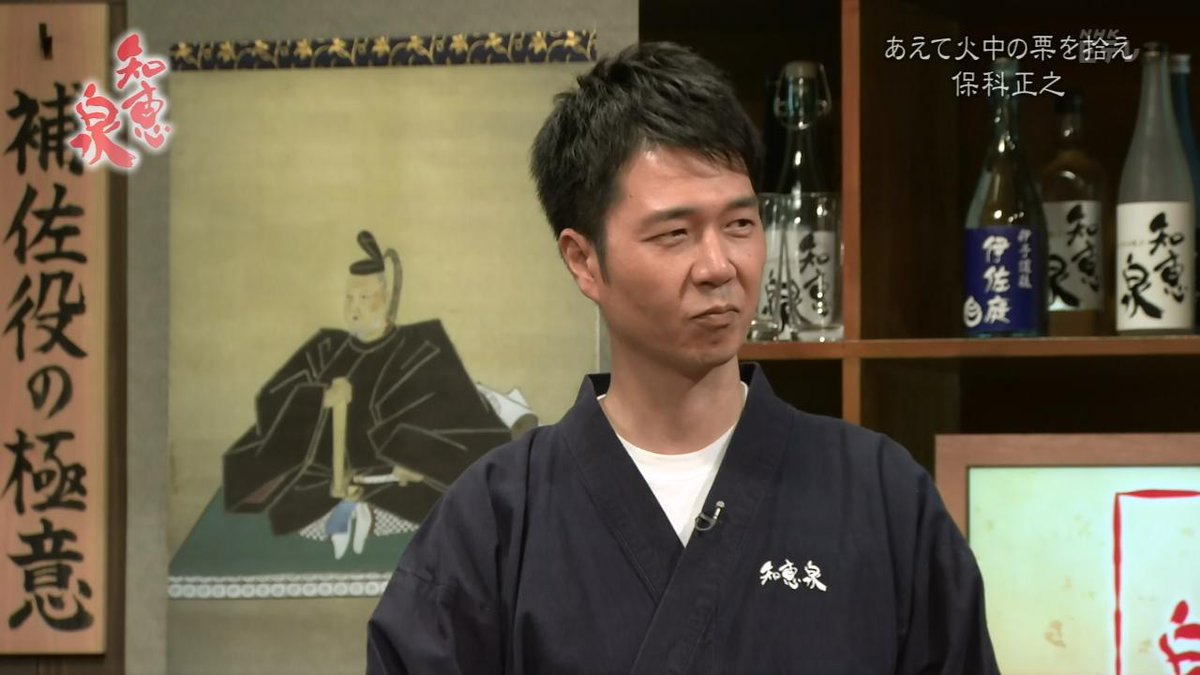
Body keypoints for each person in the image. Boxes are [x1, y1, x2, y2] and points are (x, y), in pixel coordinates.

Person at [366, 43, 1000, 673]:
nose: (719, 266)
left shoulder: (881, 496)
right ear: (583, 260)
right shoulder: (495, 522)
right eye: (675, 233)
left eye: (740, 225)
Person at [222, 230, 512, 558]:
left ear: (386, 298)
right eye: (348, 298)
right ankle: (350, 513)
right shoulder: (325, 347)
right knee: (292, 501)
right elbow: (269, 403)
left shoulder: (423, 347)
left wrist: (421, 459)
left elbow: (465, 421)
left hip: (397, 483)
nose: (354, 308)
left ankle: (359, 515)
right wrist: (319, 398)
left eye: (364, 297)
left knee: (434, 504)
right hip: (326, 481)